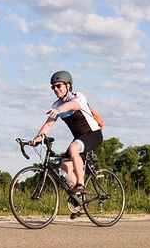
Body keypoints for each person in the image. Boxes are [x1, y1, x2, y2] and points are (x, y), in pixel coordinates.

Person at [30, 71, 103, 202]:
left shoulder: (77, 96)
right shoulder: (56, 105)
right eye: (53, 87)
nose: (55, 89)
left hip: (93, 134)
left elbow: (73, 105)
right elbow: (48, 125)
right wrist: (37, 138)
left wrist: (59, 110)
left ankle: (81, 185)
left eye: (58, 86)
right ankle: (79, 201)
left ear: (68, 86)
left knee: (73, 148)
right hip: (79, 138)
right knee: (64, 168)